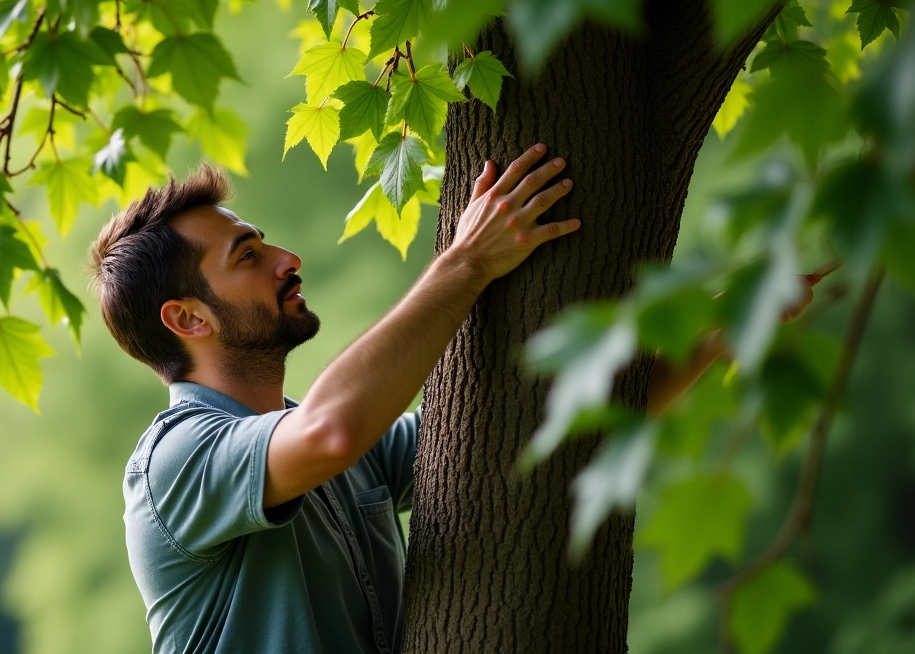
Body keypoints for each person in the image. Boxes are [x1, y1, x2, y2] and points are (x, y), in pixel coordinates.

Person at [86, 147, 762, 653]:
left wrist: (722, 331)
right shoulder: (174, 463)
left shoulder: (332, 450)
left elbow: (548, 428)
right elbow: (331, 432)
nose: (286, 258)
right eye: (247, 256)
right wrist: (464, 263)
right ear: (189, 320)